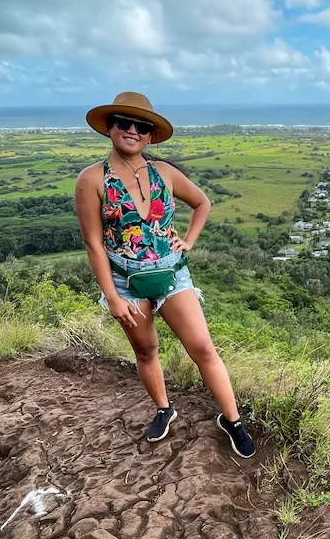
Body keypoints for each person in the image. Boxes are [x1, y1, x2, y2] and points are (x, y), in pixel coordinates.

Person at [74, 91, 255, 456]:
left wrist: (188, 240)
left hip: (172, 274)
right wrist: (111, 296)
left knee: (203, 348)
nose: (132, 130)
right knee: (145, 350)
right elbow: (94, 244)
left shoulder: (166, 173)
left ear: (151, 135)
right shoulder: (92, 179)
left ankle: (232, 420)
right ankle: (163, 408)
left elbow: (202, 202)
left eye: (141, 125)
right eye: (123, 122)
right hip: (125, 281)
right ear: (109, 127)